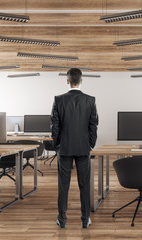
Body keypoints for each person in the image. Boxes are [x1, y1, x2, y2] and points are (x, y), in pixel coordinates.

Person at [51, 68, 98, 228]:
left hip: (64, 149)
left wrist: (57, 145)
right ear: (81, 81)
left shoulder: (58, 100)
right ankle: (85, 220)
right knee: (84, 185)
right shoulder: (90, 100)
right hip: (83, 148)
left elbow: (54, 127)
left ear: (67, 81)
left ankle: (62, 220)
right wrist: (90, 144)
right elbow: (93, 125)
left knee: (63, 185)